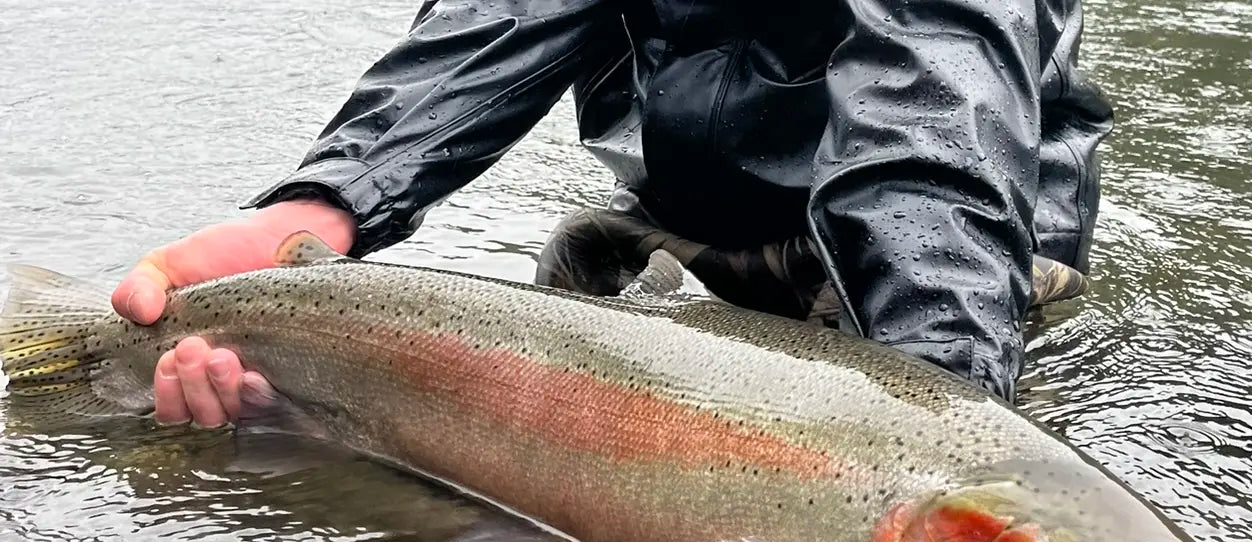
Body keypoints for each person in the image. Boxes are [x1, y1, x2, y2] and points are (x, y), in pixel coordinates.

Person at [114, 0, 1112, 430]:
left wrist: (938, 421)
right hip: (696, 212)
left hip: (954, 238)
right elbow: (506, 17)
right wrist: (328, 202)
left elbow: (934, 110)